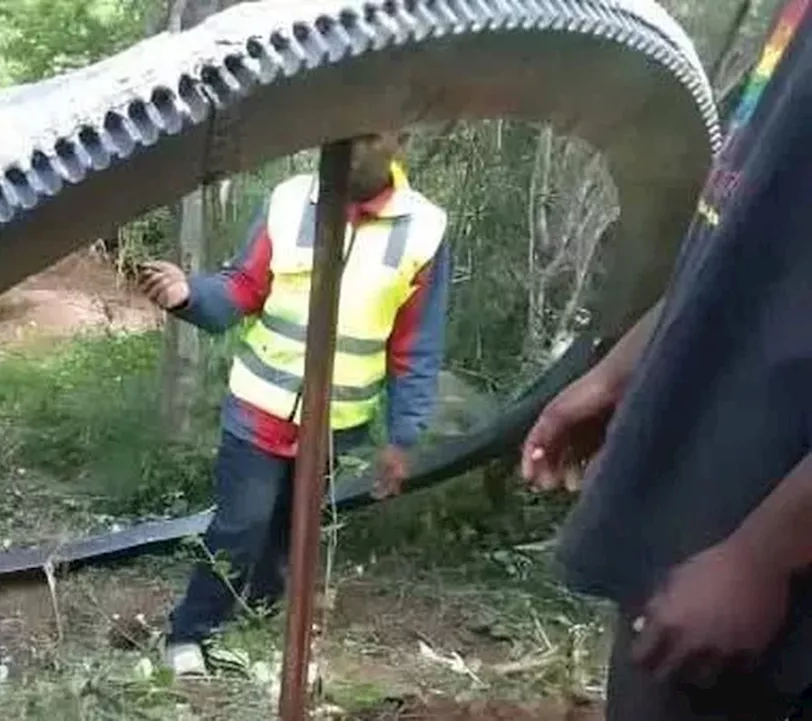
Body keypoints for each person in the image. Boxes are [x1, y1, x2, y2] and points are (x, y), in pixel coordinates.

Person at [519, 0, 812, 717]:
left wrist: (766, 552)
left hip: (764, 588)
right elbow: (746, 243)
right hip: (694, 534)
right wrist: (623, 369)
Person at [139, 131, 452, 676]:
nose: (352, 148)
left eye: (369, 136)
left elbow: (415, 347)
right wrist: (190, 296)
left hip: (336, 425)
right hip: (259, 406)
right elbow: (242, 287)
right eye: (343, 134)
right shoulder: (289, 201)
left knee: (291, 526)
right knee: (241, 526)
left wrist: (404, 438)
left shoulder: (425, 229)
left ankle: (261, 614)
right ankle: (189, 633)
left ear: (399, 140)